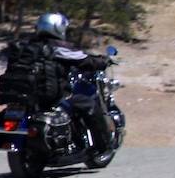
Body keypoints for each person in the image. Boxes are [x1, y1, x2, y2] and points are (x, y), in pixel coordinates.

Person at [30, 13, 115, 151]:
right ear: (57, 28)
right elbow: (84, 60)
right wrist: (103, 61)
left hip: (27, 98)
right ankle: (104, 146)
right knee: (88, 105)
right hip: (51, 96)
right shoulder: (57, 47)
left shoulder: (26, 47)